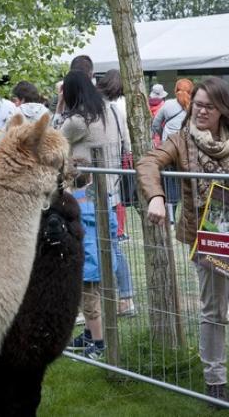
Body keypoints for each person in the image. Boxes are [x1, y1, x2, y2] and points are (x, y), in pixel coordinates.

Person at [136, 77, 229, 407]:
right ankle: (215, 381)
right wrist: (156, 197)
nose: (201, 111)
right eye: (197, 105)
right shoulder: (181, 139)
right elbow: (148, 162)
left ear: (223, 110)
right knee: (214, 310)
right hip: (207, 238)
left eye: (209, 106)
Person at [67, 158, 122, 360]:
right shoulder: (101, 197)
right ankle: (88, 336)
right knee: (91, 300)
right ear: (90, 178)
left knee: (90, 306)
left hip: (86, 261)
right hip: (103, 257)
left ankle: (99, 344)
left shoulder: (70, 203)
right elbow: (113, 226)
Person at [95, 69, 135, 315]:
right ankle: (125, 297)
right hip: (113, 184)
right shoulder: (117, 112)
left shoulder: (96, 110)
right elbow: (127, 147)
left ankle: (118, 297)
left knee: (108, 246)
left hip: (100, 187)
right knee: (112, 245)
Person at [150, 78, 194, 224]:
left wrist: (162, 134)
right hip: (187, 151)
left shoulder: (167, 105)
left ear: (175, 91)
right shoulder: (195, 107)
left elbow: (155, 124)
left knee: (169, 182)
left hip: (168, 149)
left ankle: (171, 218)